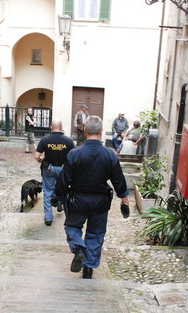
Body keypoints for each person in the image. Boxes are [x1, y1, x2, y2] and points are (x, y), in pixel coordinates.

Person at [55, 115, 130, 279]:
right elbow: (118, 180)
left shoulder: (74, 154)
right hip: (101, 202)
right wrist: (124, 200)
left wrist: (57, 194)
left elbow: (64, 178)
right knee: (96, 234)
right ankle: (88, 269)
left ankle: (79, 248)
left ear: (86, 130)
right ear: (102, 131)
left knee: (73, 227)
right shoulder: (110, 155)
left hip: (78, 200)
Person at [34, 120, 75, 226]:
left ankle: (48, 218)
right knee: (65, 191)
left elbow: (36, 156)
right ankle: (66, 214)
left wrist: (41, 160)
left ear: (51, 127)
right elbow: (74, 158)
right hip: (63, 169)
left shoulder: (45, 139)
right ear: (61, 127)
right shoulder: (69, 141)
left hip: (49, 169)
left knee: (47, 191)